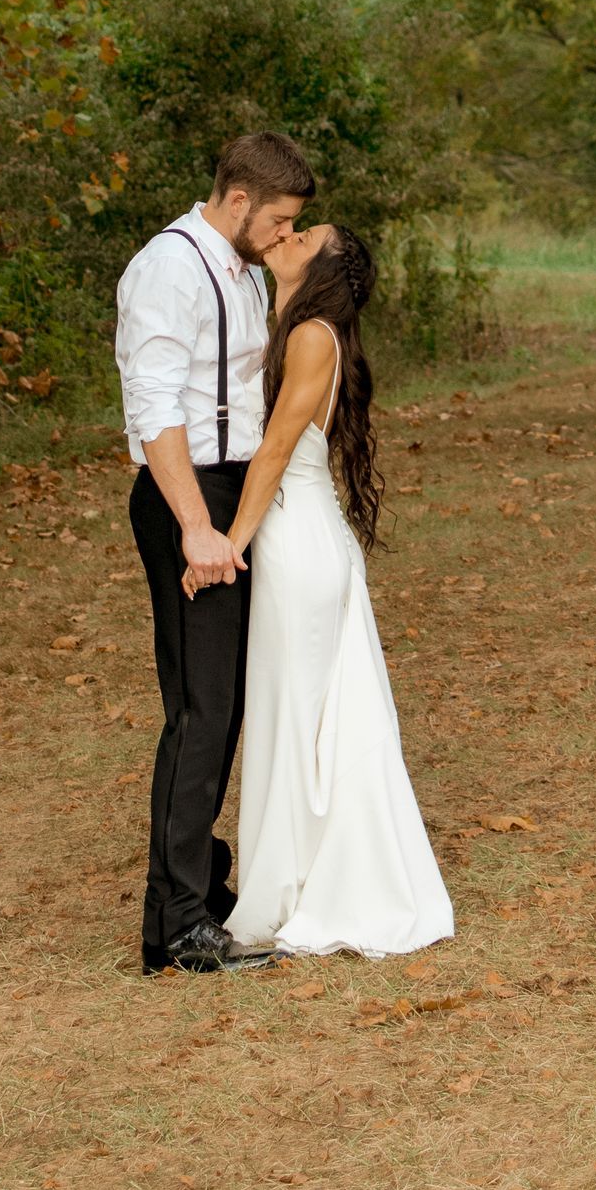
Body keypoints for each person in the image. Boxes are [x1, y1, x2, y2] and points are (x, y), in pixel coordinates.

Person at [209, 222, 454, 960]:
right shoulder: (288, 323)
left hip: (297, 545)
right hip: (298, 540)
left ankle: (303, 888)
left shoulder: (313, 335)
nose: (285, 234)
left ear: (322, 266)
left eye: (303, 233)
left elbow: (278, 450)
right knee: (299, 717)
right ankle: (293, 875)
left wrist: (229, 545)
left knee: (302, 718)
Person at [117, 130, 314, 974]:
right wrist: (196, 525)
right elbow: (154, 406)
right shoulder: (169, 268)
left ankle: (201, 878)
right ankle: (176, 928)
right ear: (238, 202)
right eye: (276, 221)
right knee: (200, 711)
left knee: (225, 704)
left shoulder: (238, 269)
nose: (281, 236)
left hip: (231, 493)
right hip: (186, 497)